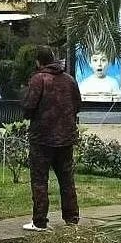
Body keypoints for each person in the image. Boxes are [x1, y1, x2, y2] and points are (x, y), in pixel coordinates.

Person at [22, 46, 82, 231]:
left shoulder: (38, 79)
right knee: (66, 178)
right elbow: (77, 105)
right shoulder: (69, 80)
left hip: (42, 138)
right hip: (65, 138)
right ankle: (72, 218)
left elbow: (28, 107)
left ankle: (40, 221)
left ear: (38, 61)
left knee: (40, 180)